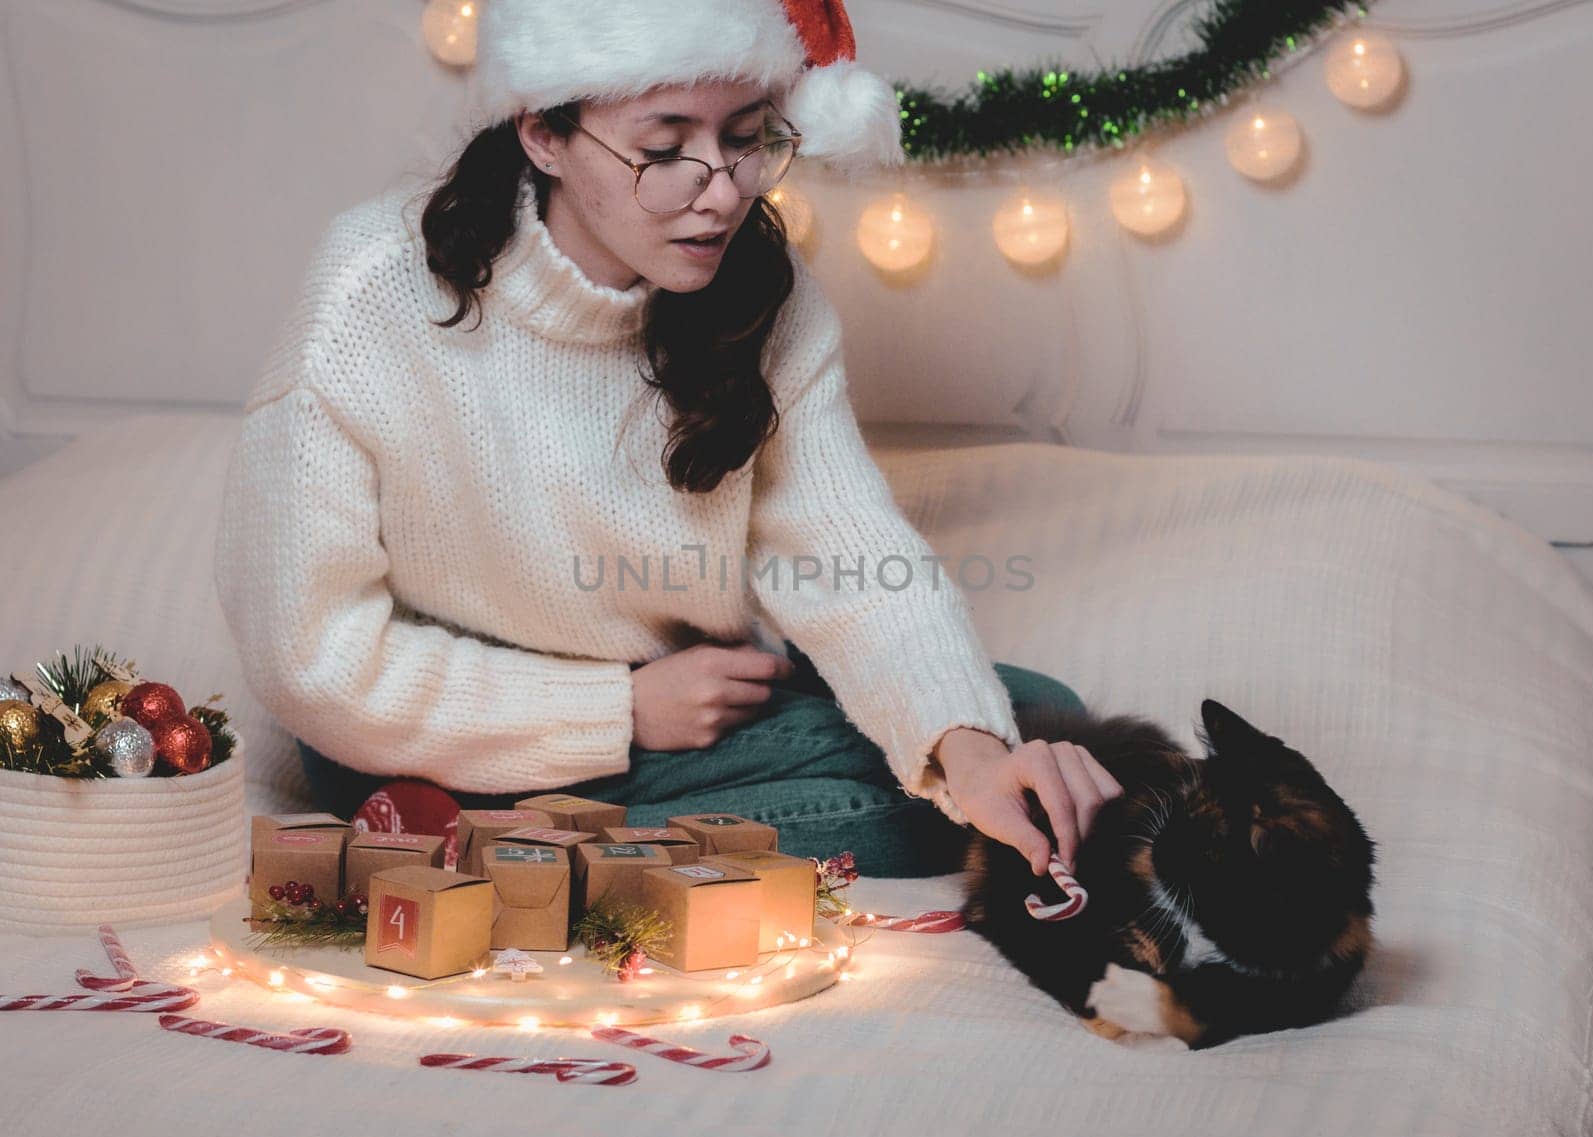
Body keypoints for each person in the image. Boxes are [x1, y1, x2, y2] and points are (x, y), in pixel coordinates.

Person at [213, 0, 1122, 878]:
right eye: (663, 148)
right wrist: (615, 710)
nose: (721, 191)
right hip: (420, 735)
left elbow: (846, 551)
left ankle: (532, 841)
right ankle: (498, 844)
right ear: (542, 133)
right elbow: (312, 659)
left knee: (1032, 719)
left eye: (745, 136)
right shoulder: (373, 290)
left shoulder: (769, 293)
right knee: (904, 809)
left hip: (671, 702)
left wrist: (965, 751)